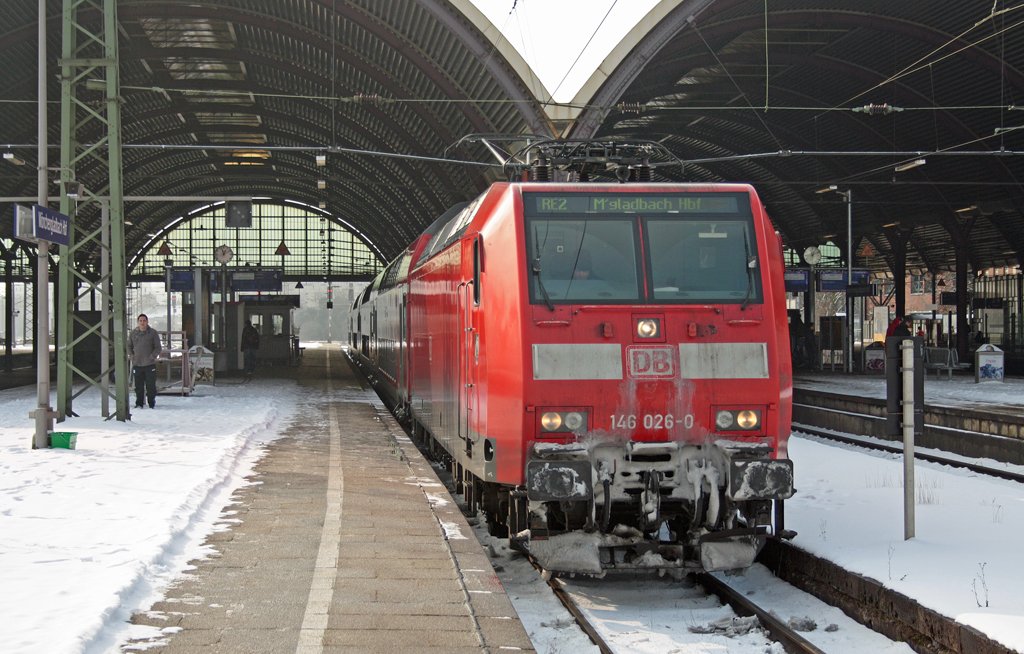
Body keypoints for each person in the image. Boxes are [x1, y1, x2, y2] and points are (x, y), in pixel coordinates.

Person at [128, 313, 162, 409]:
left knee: (150, 386)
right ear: (138, 322)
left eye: (144, 321)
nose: (142, 323)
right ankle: (139, 403)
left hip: (149, 364)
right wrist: (132, 355)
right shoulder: (133, 333)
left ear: (147, 322)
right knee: (138, 386)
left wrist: (152, 356)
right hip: (137, 364)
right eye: (140, 321)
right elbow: (128, 346)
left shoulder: (153, 333)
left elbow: (158, 347)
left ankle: (151, 403)